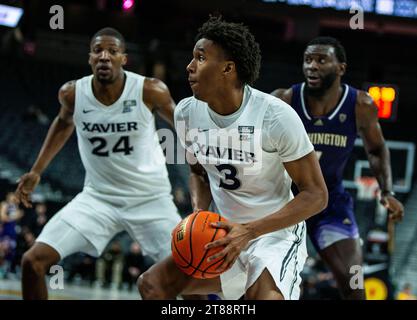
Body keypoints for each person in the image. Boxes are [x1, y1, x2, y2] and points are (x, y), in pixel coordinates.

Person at [138, 16, 328, 300]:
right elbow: (198, 172)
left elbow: (316, 195)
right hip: (222, 235)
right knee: (153, 285)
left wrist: (248, 232)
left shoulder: (275, 116)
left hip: (273, 236)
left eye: (200, 58)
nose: (189, 67)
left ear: (228, 68)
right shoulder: (187, 113)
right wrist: (199, 214)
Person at [14, 27, 182, 299]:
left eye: (112, 51)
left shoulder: (149, 90)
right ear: (90, 58)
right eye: (98, 51)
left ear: (123, 59)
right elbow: (63, 123)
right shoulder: (72, 94)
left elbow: (184, 127)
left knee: (188, 278)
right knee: (32, 262)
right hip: (97, 198)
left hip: (150, 200)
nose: (104, 56)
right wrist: (36, 170)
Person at [271, 36, 404, 299]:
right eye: (308, 60)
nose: (312, 66)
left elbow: (376, 149)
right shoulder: (284, 100)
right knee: (262, 280)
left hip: (328, 200)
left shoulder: (360, 105)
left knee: (354, 284)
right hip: (284, 198)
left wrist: (387, 192)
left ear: (341, 67)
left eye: (321, 60)